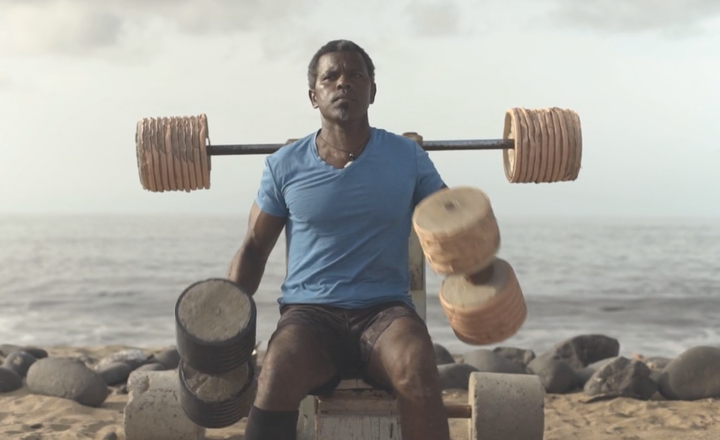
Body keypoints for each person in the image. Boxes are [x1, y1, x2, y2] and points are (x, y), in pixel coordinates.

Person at [227, 39, 451, 440]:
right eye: (331, 76)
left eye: (355, 75)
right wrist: (224, 331)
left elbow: (451, 225)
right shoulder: (284, 165)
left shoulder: (408, 158)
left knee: (417, 363)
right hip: (310, 315)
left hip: (385, 314)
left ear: (372, 91)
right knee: (277, 368)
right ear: (314, 96)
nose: (343, 83)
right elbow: (253, 250)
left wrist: (476, 268)